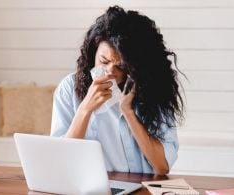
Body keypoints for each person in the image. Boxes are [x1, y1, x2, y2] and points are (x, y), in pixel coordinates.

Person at [50, 5, 184, 175]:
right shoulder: (69, 88)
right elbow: (61, 160)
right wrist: (85, 109)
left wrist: (128, 113)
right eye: (104, 61)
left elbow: (162, 166)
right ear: (93, 54)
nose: (110, 72)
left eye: (121, 66)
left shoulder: (154, 89)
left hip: (140, 188)